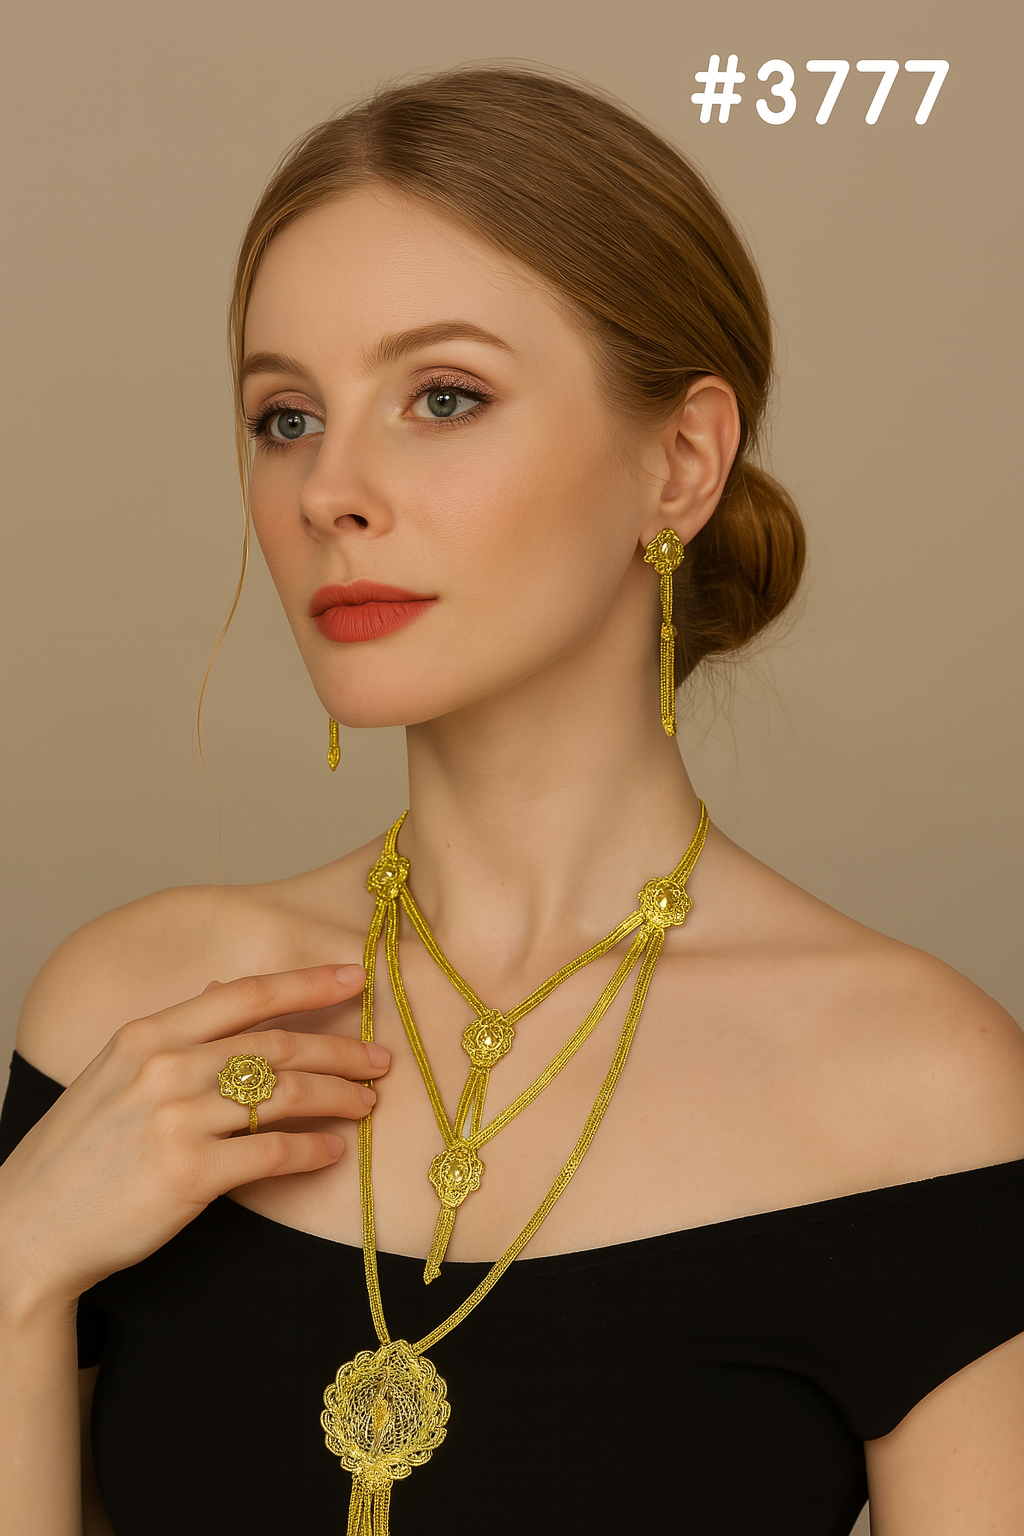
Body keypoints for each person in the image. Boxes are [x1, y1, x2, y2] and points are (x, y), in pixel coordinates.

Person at [1, 66, 1022, 1536]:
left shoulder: (915, 1085)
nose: (329, 490)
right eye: (286, 416)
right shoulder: (136, 1017)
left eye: (443, 397)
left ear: (681, 461)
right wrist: (15, 1267)